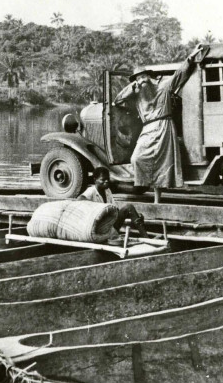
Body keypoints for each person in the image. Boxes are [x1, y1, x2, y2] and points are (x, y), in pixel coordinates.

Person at [113, 44, 208, 203]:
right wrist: (133, 87)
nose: (142, 80)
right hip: (148, 129)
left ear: (149, 77)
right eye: (138, 78)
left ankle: (157, 200)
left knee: (160, 165)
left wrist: (191, 57)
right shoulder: (138, 95)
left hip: (164, 127)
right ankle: (140, 186)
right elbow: (118, 100)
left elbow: (180, 74)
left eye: (143, 77)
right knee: (136, 158)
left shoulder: (163, 87)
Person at [77, 167, 149, 238]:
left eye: (107, 179)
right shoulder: (92, 190)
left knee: (130, 208)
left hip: (110, 224)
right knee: (128, 208)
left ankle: (146, 237)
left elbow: (116, 210)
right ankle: (145, 237)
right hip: (99, 227)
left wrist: (133, 216)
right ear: (95, 180)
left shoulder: (107, 191)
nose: (106, 181)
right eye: (103, 179)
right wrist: (95, 209)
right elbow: (80, 199)